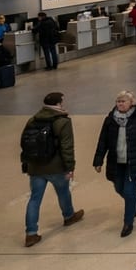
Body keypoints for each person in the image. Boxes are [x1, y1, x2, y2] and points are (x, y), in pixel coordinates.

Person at [22, 92, 85, 247]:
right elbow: (67, 147)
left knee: (35, 199)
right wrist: (70, 167)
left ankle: (31, 234)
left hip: (36, 166)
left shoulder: (33, 120)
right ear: (58, 104)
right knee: (63, 192)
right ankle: (69, 216)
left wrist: (27, 163)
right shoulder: (62, 122)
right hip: (56, 166)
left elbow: (25, 143)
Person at [93, 90, 136, 238]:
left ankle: (128, 223)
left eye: (123, 101)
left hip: (134, 161)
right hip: (116, 161)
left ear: (132, 102)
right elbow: (103, 140)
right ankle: (135, 201)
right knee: (118, 188)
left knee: (129, 191)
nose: (120, 104)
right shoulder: (110, 119)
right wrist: (98, 160)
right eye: (118, 101)